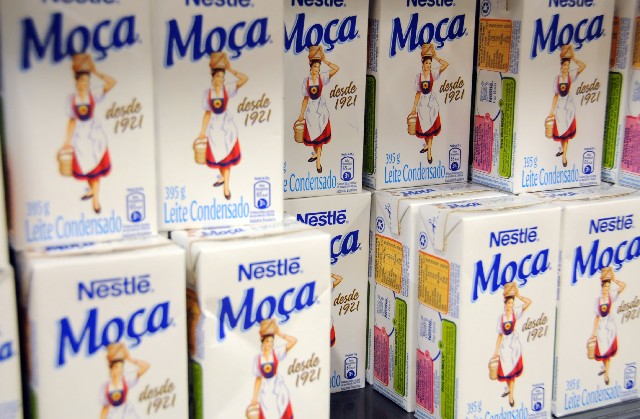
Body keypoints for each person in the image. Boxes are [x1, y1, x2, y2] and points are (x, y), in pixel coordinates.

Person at [62, 54, 116, 214]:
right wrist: (67, 141)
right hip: (80, 135)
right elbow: (72, 120)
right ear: (76, 81)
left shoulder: (93, 95)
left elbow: (112, 82)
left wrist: (95, 71)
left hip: (94, 134)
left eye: (87, 81)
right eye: (82, 81)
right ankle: (92, 190)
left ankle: (96, 201)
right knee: (85, 166)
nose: (84, 84)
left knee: (95, 166)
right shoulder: (71, 99)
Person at [196, 53, 248, 200]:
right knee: (218, 155)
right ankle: (223, 178)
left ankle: (226, 188)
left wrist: (230, 69)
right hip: (214, 127)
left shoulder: (227, 89)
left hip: (226, 126)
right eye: (218, 76)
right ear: (213, 77)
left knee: (227, 156)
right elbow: (207, 113)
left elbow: (244, 79)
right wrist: (202, 132)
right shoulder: (207, 93)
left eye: (223, 77)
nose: (221, 79)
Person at [296, 46, 339, 174]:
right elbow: (305, 99)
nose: (317, 69)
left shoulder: (322, 77)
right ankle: (316, 154)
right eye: (315, 67)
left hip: (321, 109)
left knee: (320, 135)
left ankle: (318, 162)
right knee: (314, 135)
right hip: (311, 110)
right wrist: (301, 114)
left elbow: (336, 68)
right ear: (311, 67)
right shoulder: (306, 81)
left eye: (319, 67)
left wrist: (324, 60)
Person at [492, 284, 531, 408]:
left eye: (512, 303)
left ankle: (511, 396)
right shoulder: (500, 318)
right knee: (506, 371)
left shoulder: (516, 312)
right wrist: (496, 351)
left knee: (512, 372)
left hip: (514, 346)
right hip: (505, 347)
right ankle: (509, 389)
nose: (510, 305)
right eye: (509, 303)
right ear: (505, 303)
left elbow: (529, 302)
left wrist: (518, 296)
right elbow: (500, 336)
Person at [249, 319, 297, 419]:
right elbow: (258, 379)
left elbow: (294, 341)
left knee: (282, 411)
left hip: (278, 388)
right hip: (265, 391)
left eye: (272, 341)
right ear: (263, 342)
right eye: (268, 341)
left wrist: (279, 334)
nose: (270, 344)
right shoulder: (258, 358)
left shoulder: (276, 353)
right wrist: (254, 398)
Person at [409, 43, 448, 164]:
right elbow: (417, 93)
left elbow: (446, 64)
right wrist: (414, 108)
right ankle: (427, 146)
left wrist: (435, 57)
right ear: (423, 63)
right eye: (427, 63)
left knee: (430, 127)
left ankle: (429, 152)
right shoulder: (418, 76)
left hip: (431, 103)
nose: (429, 65)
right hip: (422, 104)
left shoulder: (433, 73)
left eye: (430, 63)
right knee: (425, 127)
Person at [548, 45, 586, 168]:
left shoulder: (571, 75)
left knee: (567, 135)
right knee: (561, 132)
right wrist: (551, 111)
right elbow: (555, 96)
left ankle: (564, 156)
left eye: (568, 66)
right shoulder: (557, 79)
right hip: (560, 107)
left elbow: (583, 66)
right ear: (561, 65)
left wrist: (573, 58)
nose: (566, 68)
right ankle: (562, 150)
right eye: (565, 65)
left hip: (568, 107)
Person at [590, 267, 626, 386]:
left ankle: (606, 375)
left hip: (610, 326)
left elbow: (623, 286)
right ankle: (605, 368)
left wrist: (614, 279)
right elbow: (597, 317)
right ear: (602, 287)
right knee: (602, 351)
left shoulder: (611, 296)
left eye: (608, 287)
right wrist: (593, 333)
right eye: (605, 287)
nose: (607, 289)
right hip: (601, 327)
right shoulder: (598, 300)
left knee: (608, 351)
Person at [100, 343, 150, 419]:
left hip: (127, 413)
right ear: (111, 368)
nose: (119, 370)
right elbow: (105, 408)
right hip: (113, 415)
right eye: (116, 367)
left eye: (121, 367)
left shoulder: (126, 380)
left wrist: (129, 358)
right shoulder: (105, 386)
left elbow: (146, 366)